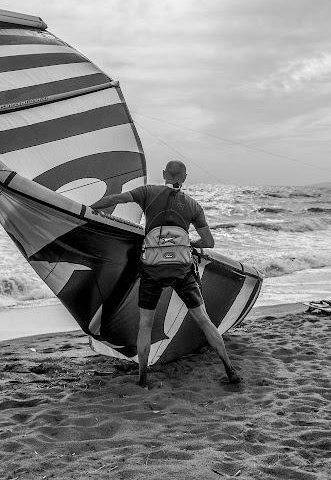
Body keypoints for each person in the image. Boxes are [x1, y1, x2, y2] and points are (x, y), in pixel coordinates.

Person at [90, 160, 240, 388]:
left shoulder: (148, 192)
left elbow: (114, 200)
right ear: (185, 177)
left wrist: (89, 211)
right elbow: (209, 242)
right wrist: (189, 244)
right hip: (182, 270)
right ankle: (230, 370)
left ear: (163, 174)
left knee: (146, 325)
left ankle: (142, 379)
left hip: (152, 269)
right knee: (203, 320)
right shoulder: (193, 205)